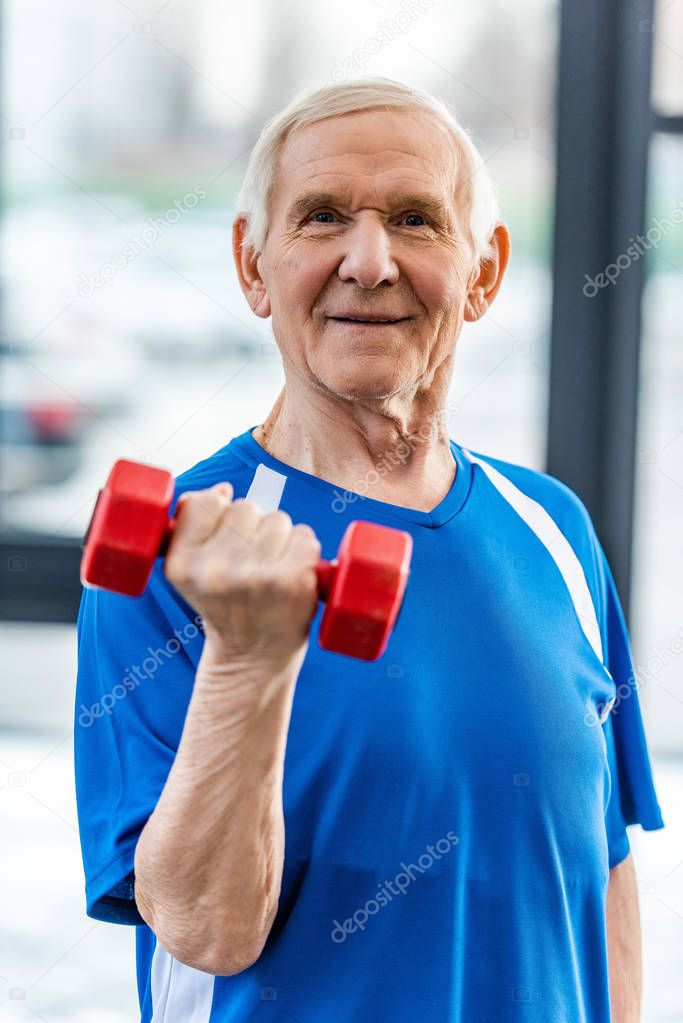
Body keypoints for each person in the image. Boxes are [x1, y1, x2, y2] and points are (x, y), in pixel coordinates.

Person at [74, 76, 664, 1023]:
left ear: (482, 271)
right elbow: (204, 929)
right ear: (253, 264)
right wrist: (248, 656)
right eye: (319, 216)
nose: (368, 260)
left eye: (416, 219)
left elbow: (602, 872)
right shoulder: (183, 553)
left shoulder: (553, 530)